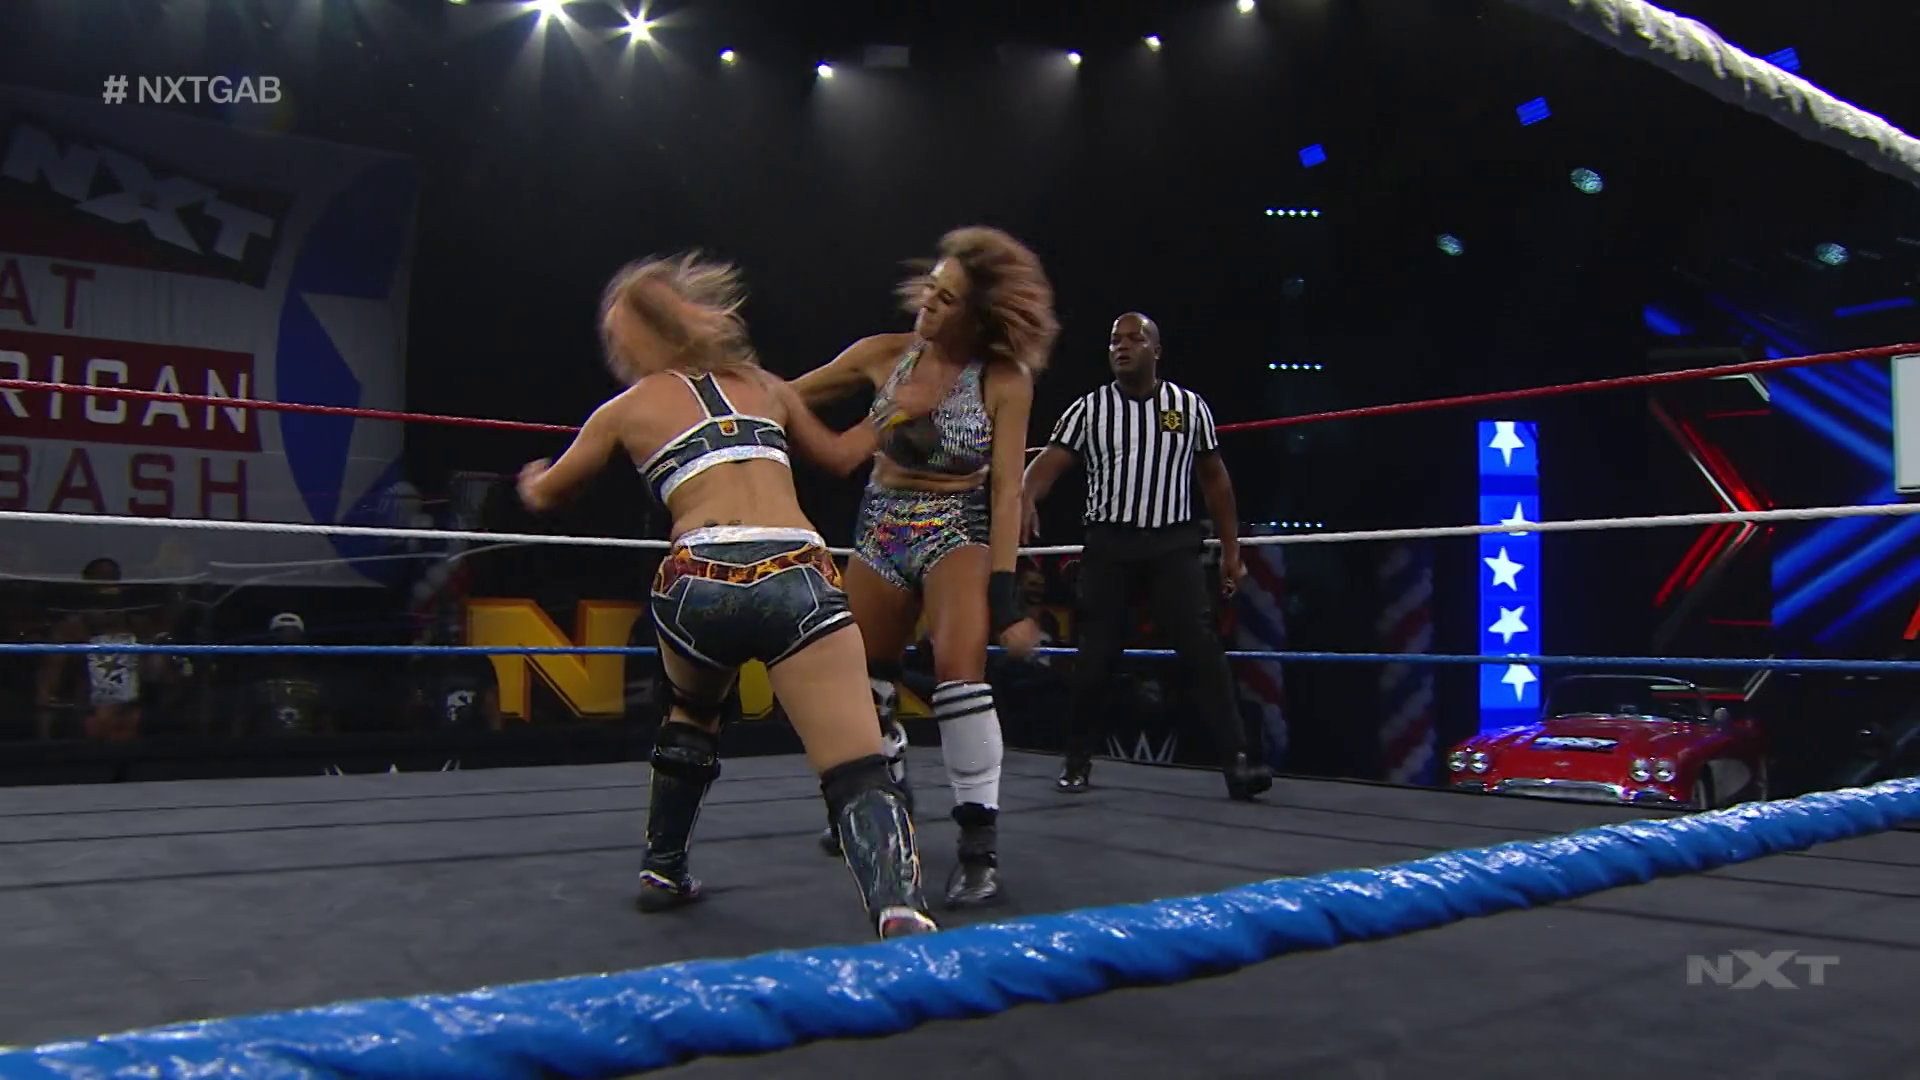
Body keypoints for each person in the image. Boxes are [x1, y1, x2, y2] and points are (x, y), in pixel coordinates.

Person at [516, 252, 948, 940]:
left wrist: (531, 478)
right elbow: (841, 457)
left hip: (696, 579)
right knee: (856, 763)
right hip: (795, 573)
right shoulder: (765, 387)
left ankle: (663, 868)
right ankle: (898, 907)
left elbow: (549, 495)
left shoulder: (624, 409)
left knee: (692, 714)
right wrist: (893, 412)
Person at [792, 226, 1060, 909]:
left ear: (979, 314)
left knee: (959, 677)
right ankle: (887, 792)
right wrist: (720, 385)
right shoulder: (883, 356)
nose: (927, 306)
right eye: (929, 291)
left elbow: (1007, 490)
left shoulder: (1003, 379)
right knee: (862, 679)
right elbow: (788, 398)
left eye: (946, 299)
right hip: (882, 523)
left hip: (956, 525)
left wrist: (1006, 594)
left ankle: (978, 849)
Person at [1020, 312, 1274, 800]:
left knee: (1203, 650)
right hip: (1109, 544)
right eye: (1115, 339)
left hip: (1172, 543)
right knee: (1095, 655)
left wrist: (1231, 550)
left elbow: (1215, 480)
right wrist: (1026, 497)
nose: (1122, 346)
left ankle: (1239, 761)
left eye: (1134, 339)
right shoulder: (1089, 409)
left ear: (1155, 351)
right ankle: (1076, 761)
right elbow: (1047, 463)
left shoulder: (1188, 407)